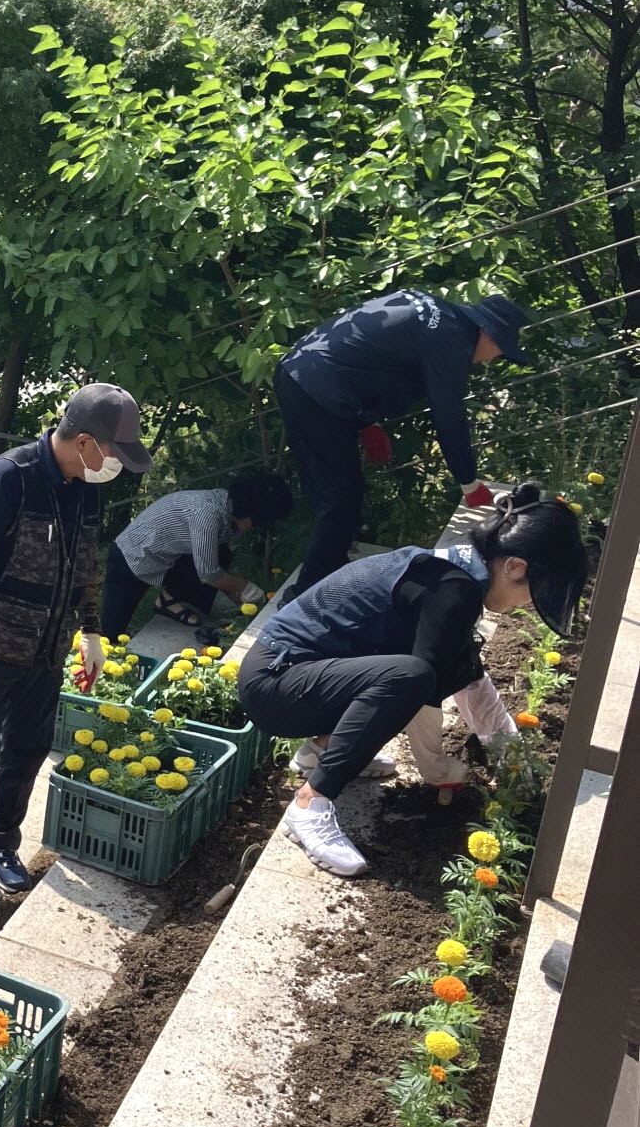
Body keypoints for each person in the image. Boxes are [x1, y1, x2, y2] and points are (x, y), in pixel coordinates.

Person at [237, 483, 586, 879]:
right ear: (515, 567)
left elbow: (467, 674)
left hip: (291, 673)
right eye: (535, 592)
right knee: (411, 677)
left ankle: (318, 751)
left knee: (424, 670)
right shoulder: (452, 591)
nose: (529, 604)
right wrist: (437, 769)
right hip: (276, 685)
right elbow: (419, 689)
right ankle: (311, 803)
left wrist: (513, 762)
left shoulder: (454, 574)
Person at [0, 383, 152, 895]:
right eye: (114, 453)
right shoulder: (8, 479)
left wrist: (92, 631)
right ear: (84, 442)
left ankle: (0, 841)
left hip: (48, 652)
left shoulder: (86, 486)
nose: (116, 465)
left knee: (28, 750)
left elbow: (87, 565)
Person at [275, 290, 531, 593]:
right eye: (500, 349)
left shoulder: (437, 312)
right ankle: (308, 592)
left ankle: (330, 567)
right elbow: (449, 415)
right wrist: (468, 481)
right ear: (487, 332)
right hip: (318, 391)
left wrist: (366, 421)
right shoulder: (451, 339)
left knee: (329, 492)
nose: (493, 358)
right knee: (341, 496)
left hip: (297, 372)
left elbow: (372, 359)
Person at [101, 473, 293, 638]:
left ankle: (168, 601)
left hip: (170, 556)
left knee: (222, 554)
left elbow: (211, 562)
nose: (258, 527)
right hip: (133, 557)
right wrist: (246, 588)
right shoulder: (206, 515)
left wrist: (236, 593)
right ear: (248, 511)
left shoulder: (228, 506)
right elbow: (209, 574)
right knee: (111, 632)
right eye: (259, 522)